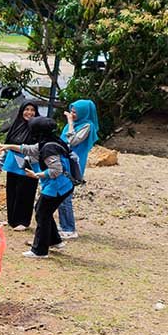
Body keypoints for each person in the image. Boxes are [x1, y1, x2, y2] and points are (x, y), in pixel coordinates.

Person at [0, 116, 75, 259]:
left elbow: (56, 170)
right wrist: (9, 146)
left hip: (57, 187)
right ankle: (54, 241)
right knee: (43, 211)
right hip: (64, 185)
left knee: (41, 213)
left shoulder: (48, 149)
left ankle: (40, 251)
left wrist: (37, 175)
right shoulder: (51, 141)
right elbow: (28, 149)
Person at [56, 99, 100, 239]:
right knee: (59, 194)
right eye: (72, 111)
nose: (72, 114)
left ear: (83, 112)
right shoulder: (76, 123)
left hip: (73, 165)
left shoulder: (87, 126)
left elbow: (72, 141)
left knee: (65, 196)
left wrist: (69, 123)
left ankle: (69, 229)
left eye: (75, 112)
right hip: (63, 162)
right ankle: (64, 225)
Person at [0, 102, 40, 231]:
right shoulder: (17, 125)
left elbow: (38, 149)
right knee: (12, 192)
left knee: (26, 193)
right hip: (12, 164)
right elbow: (7, 145)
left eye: (32, 110)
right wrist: (1, 161)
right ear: (21, 111)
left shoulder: (38, 127)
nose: (29, 112)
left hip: (29, 165)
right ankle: (12, 220)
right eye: (26, 109)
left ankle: (23, 221)